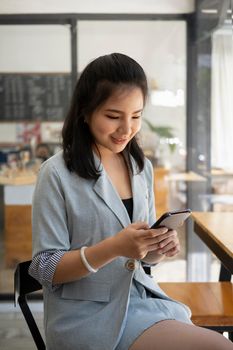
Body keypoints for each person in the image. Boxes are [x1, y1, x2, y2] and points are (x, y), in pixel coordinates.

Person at [29, 53, 232, 350]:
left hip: (142, 301)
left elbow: (141, 258)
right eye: (113, 116)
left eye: (136, 116)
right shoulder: (56, 174)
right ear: (85, 112)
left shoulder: (140, 167)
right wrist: (114, 247)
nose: (127, 129)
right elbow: (44, 268)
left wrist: (158, 248)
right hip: (86, 316)